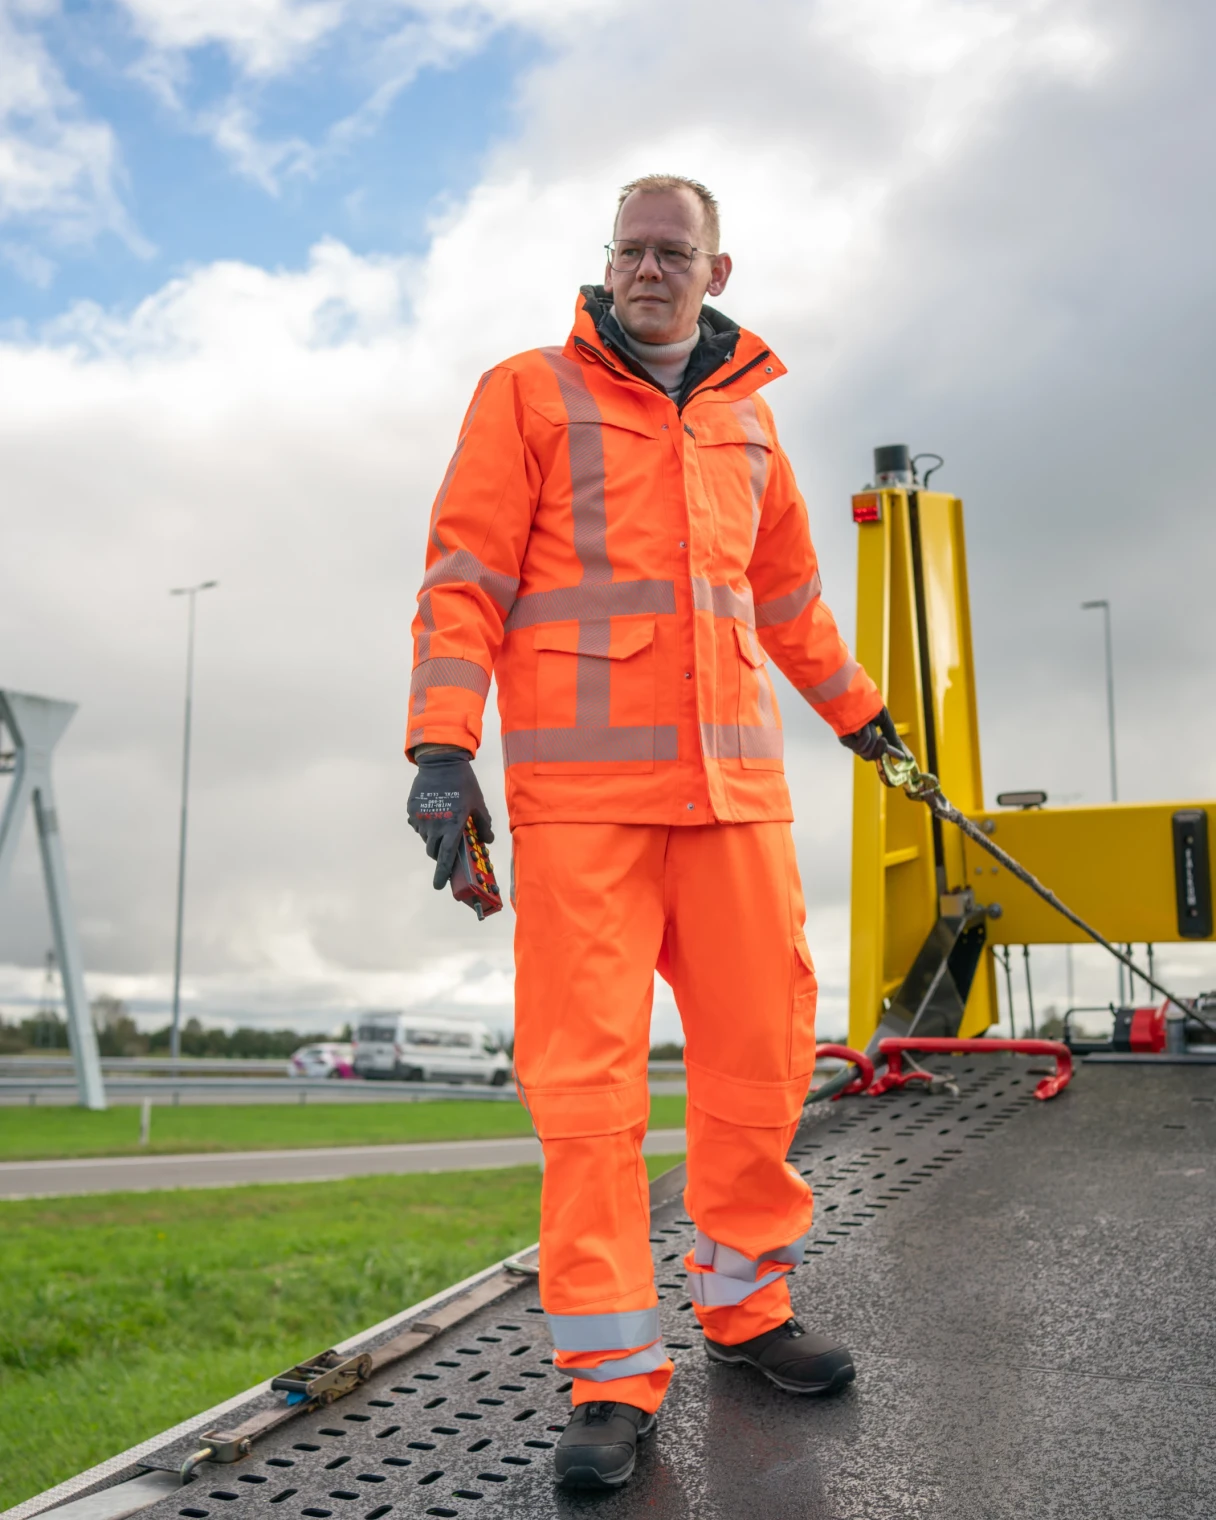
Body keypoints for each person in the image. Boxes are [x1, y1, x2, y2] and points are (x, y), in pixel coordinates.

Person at [405, 173, 901, 1490]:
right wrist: (443, 749)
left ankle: (745, 1312)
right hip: (584, 812)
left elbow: (786, 594)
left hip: (736, 803)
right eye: (629, 248)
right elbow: (464, 579)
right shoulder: (525, 392)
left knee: (762, 1065)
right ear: (606, 264)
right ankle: (612, 1380)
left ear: (717, 272)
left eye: (672, 251)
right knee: (589, 1096)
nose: (647, 268)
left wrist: (862, 718)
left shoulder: (749, 414)